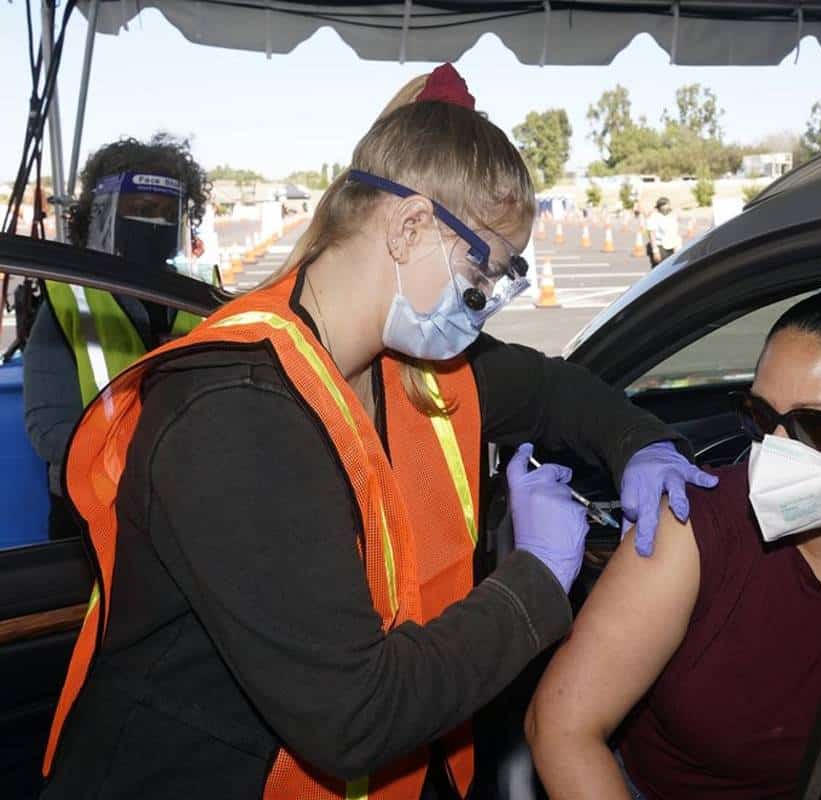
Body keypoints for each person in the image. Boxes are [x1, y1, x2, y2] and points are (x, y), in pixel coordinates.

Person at [39, 64, 715, 800]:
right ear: (411, 225)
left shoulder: (415, 360)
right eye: (482, 269)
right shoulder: (235, 415)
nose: (485, 301)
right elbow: (355, 715)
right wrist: (538, 578)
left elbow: (555, 391)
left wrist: (643, 444)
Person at [527, 283, 821, 799]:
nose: (775, 450)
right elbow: (564, 729)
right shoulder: (696, 525)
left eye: (816, 429)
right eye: (763, 417)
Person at [22, 133, 210, 540]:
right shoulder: (67, 299)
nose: (154, 223)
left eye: (166, 212)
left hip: (184, 512)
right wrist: (155, 458)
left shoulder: (200, 296)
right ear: (100, 214)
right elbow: (50, 430)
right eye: (140, 210)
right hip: (91, 515)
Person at [645, 197, 680, 268]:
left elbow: (674, 233)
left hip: (671, 247)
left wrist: (677, 247)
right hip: (660, 247)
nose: (665, 207)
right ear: (659, 207)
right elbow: (652, 234)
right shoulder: (654, 217)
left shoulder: (672, 217)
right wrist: (655, 251)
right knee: (659, 270)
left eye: (667, 205)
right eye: (663, 205)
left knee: (670, 270)